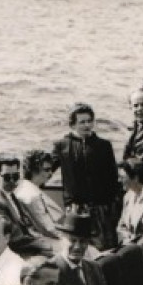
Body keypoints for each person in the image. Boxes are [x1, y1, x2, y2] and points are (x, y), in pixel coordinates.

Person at [51, 103, 119, 249]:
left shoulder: (104, 145)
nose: (87, 125)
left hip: (101, 208)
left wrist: (113, 208)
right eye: (82, 122)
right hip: (75, 208)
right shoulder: (62, 145)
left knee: (104, 248)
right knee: (77, 247)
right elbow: (46, 170)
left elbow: (113, 179)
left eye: (90, 121)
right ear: (72, 124)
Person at [53, 209, 121, 285]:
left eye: (83, 241)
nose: (78, 247)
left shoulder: (93, 267)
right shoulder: (51, 270)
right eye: (72, 240)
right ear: (61, 239)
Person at [0, 152, 51, 257]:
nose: (12, 181)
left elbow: (23, 225)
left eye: (16, 176)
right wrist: (43, 244)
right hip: (14, 252)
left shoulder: (8, 193)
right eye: (7, 177)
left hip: (26, 243)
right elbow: (11, 239)